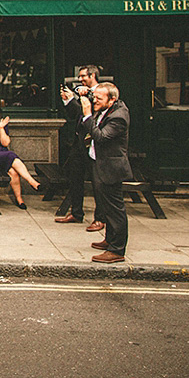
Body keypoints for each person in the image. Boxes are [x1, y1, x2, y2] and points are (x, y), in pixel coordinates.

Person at [80, 82, 133, 263]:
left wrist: (87, 116)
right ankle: (110, 240)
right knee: (107, 207)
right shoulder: (108, 109)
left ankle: (117, 250)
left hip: (111, 168)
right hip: (101, 164)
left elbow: (101, 137)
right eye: (95, 97)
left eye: (99, 98)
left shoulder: (119, 117)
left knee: (115, 209)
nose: (94, 101)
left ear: (112, 100)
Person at [56, 65, 106, 231]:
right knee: (75, 177)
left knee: (97, 182)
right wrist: (67, 100)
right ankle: (76, 213)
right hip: (79, 142)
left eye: (83, 76)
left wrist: (73, 100)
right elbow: (76, 115)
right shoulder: (84, 92)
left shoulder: (101, 94)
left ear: (93, 75)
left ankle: (100, 219)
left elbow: (88, 114)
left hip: (93, 141)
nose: (81, 79)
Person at [0, 103, 42, 210]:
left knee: (13, 172)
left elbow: (5, 143)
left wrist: (1, 128)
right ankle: (31, 181)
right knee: (11, 154)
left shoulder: (2, 125)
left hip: (2, 156)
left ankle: (19, 199)